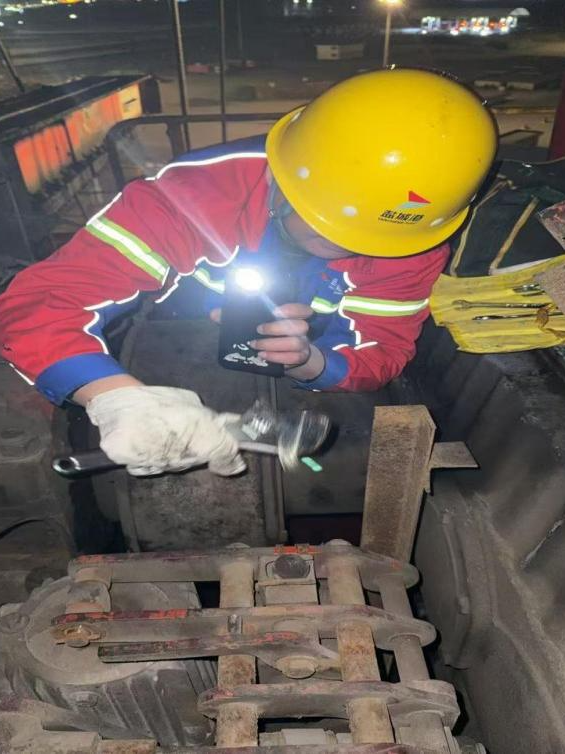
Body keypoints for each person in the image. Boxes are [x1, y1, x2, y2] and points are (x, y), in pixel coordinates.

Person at [0, 68, 497, 477]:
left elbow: (384, 350)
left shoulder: (411, 241)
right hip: (169, 335)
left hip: (307, 359)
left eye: (372, 238)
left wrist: (311, 363)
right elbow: (40, 304)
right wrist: (114, 398)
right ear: (288, 177)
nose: (351, 247)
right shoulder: (197, 194)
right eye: (330, 226)